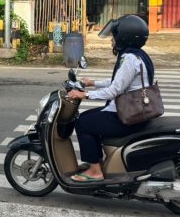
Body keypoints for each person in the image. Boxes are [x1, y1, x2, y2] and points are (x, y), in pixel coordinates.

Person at [66, 15, 154, 182]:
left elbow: (114, 90)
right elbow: (119, 82)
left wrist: (84, 94)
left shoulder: (129, 59)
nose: (111, 40)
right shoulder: (139, 55)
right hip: (133, 111)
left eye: (114, 36)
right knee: (87, 117)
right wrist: (92, 83)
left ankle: (95, 172)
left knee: (83, 123)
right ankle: (97, 163)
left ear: (124, 37)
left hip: (129, 116)